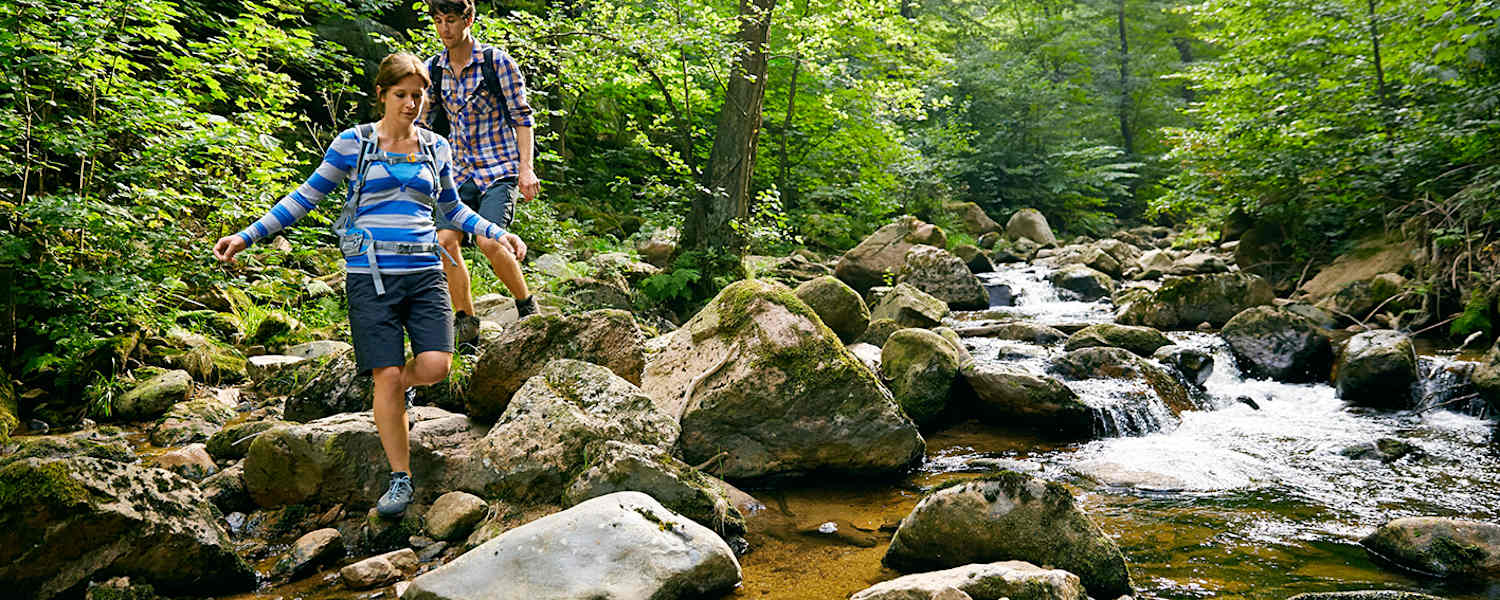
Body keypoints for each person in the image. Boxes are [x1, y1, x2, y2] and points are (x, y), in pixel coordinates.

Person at [211, 52, 527, 517]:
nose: (411, 104)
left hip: (424, 274)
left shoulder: (438, 147)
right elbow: (305, 197)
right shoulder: (352, 143)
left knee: (436, 365)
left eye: (418, 96)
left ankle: (402, 389)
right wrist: (248, 234)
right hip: (370, 278)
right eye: (401, 95)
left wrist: (499, 233)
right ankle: (400, 478)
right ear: (382, 95)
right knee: (385, 376)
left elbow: (454, 211)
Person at [426, 0, 540, 346]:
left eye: (451, 20)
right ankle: (466, 323)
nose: (445, 29)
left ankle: (526, 306)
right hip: (456, 172)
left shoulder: (497, 63)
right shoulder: (433, 69)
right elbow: (422, 123)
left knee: (489, 240)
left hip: (499, 168)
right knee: (445, 242)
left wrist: (526, 169)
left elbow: (522, 117)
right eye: (438, 21)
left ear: (468, 19)